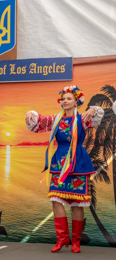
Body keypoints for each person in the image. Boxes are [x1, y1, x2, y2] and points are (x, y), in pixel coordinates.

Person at [25, 85, 104, 253]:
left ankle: (75, 241)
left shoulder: (82, 119)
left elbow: (98, 113)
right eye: (63, 99)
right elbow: (38, 122)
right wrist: (30, 114)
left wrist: (92, 109)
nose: (65, 101)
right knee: (55, 199)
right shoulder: (56, 119)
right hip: (58, 164)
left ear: (77, 102)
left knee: (77, 203)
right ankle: (62, 239)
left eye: (69, 98)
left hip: (78, 163)